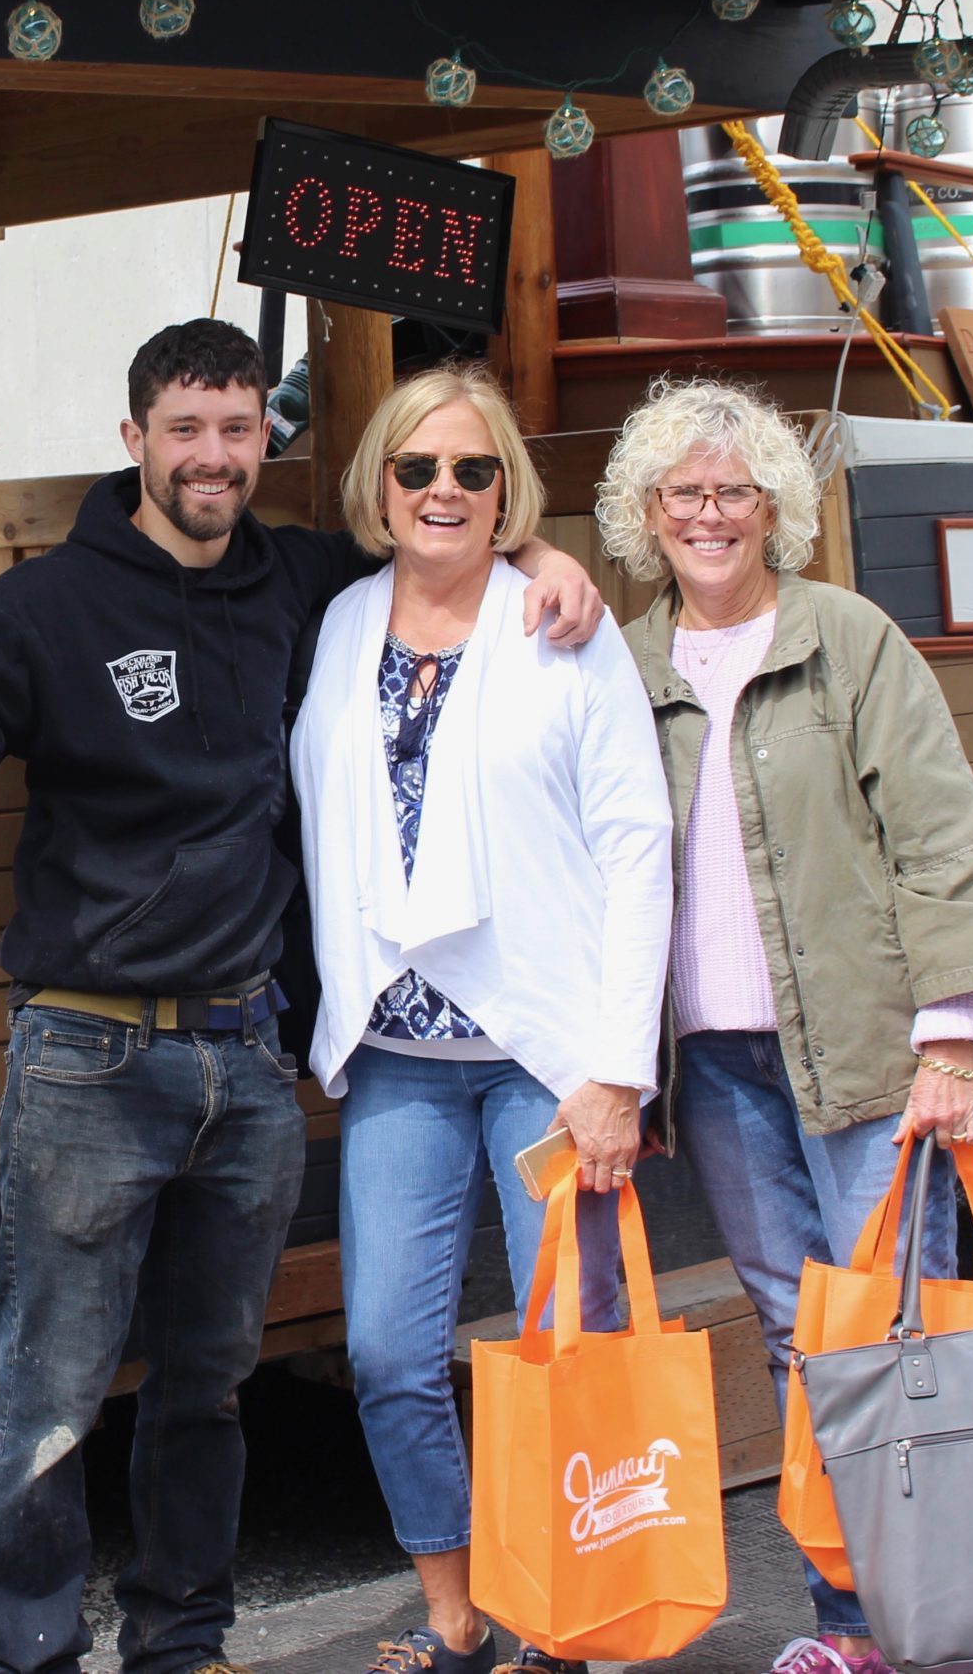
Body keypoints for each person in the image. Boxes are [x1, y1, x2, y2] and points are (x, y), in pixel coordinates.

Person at [0, 319, 604, 1674]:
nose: (213, 456)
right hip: (88, 1057)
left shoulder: (303, 578)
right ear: (134, 439)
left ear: (269, 438)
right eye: (185, 429)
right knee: (52, 1393)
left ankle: (184, 1645)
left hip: (248, 1058)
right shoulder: (45, 607)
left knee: (208, 1390)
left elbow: (442, 543)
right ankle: (31, 1654)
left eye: (238, 428)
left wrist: (547, 555)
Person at [596, 379, 973, 1674]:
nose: (710, 514)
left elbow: (942, 841)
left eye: (735, 491)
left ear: (776, 509)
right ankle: (850, 1624)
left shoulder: (849, 642)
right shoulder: (621, 667)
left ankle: (951, 1619)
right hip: (721, 1070)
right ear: (645, 513)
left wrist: (950, 1040)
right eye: (683, 494)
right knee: (802, 1344)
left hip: (864, 1057)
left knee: (895, 1335)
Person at [288, 366, 672, 1674]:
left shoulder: (562, 625)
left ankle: (560, 1619)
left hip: (544, 1063)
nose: (444, 491)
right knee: (390, 1351)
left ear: (509, 491)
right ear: (378, 487)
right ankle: (455, 1615)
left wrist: (620, 1070)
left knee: (572, 1351)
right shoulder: (336, 624)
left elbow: (639, 844)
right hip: (396, 1060)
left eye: (473, 470)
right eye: (418, 469)